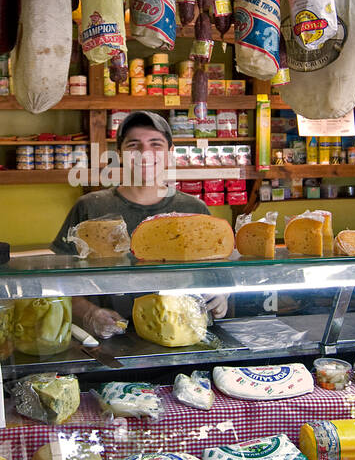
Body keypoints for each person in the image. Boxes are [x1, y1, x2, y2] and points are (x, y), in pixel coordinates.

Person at [50, 110, 228, 338]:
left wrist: (223, 294)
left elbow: (220, 274)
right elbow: (57, 281)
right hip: (111, 338)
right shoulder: (90, 207)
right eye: (134, 145)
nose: (145, 153)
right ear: (120, 154)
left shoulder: (195, 210)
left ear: (170, 153)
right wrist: (89, 313)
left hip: (183, 335)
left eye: (156, 144)